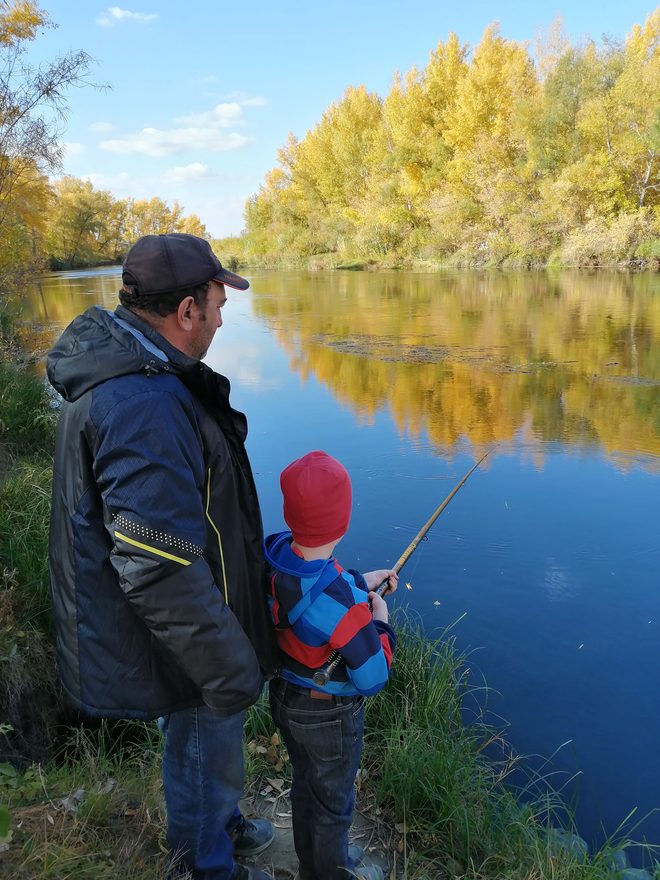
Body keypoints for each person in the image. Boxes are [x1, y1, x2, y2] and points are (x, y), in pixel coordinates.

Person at [46, 233, 277, 880]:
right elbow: (159, 568)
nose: (223, 313)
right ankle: (206, 866)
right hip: (183, 630)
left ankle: (219, 825)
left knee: (204, 742)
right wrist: (230, 663)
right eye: (216, 299)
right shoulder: (143, 405)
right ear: (185, 312)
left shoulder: (142, 373)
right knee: (203, 734)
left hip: (187, 622)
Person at [264, 450, 398, 880]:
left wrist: (364, 582)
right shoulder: (344, 608)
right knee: (333, 806)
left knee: (308, 789)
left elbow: (320, 587)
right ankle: (330, 872)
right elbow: (374, 675)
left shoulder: (277, 557)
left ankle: (314, 866)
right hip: (328, 717)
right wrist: (381, 624)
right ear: (343, 519)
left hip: (285, 699)